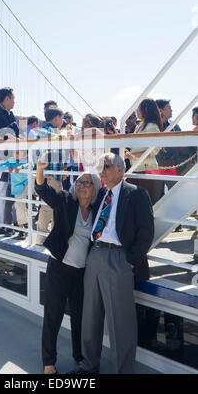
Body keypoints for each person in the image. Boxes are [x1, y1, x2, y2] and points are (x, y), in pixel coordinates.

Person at [72, 152, 154, 375]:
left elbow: (146, 233)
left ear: (120, 169)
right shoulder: (100, 194)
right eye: (101, 167)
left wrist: (129, 262)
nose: (102, 171)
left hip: (119, 258)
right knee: (90, 316)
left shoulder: (136, 194)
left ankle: (123, 370)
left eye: (106, 166)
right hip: (95, 255)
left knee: (120, 322)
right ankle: (89, 366)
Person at [35, 152, 102, 375]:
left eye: (88, 183)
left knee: (80, 317)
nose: (83, 186)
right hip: (59, 267)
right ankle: (48, 361)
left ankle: (79, 355)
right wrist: (41, 169)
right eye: (80, 182)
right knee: (53, 315)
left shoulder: (97, 210)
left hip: (82, 272)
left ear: (95, 188)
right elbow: (43, 190)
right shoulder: (65, 200)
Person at [0, 87, 20, 235]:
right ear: (6, 98)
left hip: (9, 158)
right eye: (13, 98)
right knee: (1, 190)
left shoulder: (9, 113)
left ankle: (7, 222)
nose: (14, 101)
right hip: (0, 159)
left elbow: (12, 134)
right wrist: (14, 126)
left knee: (9, 191)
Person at [36, 107, 67, 245]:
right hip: (50, 174)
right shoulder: (45, 131)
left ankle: (51, 236)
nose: (63, 120)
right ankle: (41, 238)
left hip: (54, 174)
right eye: (61, 118)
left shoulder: (53, 131)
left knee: (55, 206)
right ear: (56, 118)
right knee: (48, 207)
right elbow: (48, 140)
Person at [125, 98, 163, 205]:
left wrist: (131, 155)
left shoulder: (151, 126)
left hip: (146, 168)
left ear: (145, 109)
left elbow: (154, 150)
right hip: (138, 167)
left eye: (139, 109)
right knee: (137, 201)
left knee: (147, 201)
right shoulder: (141, 125)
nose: (137, 112)